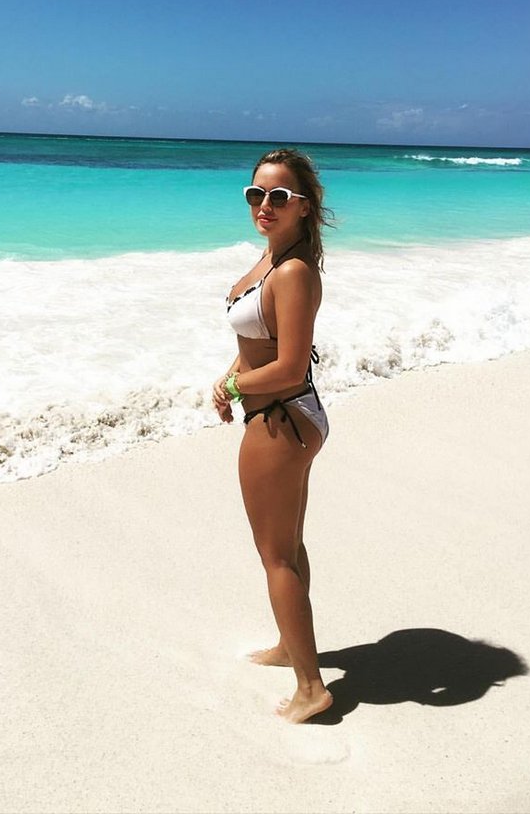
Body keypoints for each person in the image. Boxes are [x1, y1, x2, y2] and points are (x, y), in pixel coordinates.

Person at [212, 148, 335, 723]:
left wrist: (235, 388)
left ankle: (311, 688)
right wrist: (231, 376)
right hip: (284, 414)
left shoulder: (293, 272)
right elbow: (259, 345)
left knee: (275, 556)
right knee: (288, 545)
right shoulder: (271, 258)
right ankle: (291, 645)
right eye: (256, 193)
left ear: (303, 207)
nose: (264, 204)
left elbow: (288, 366)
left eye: (279, 196)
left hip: (282, 417)